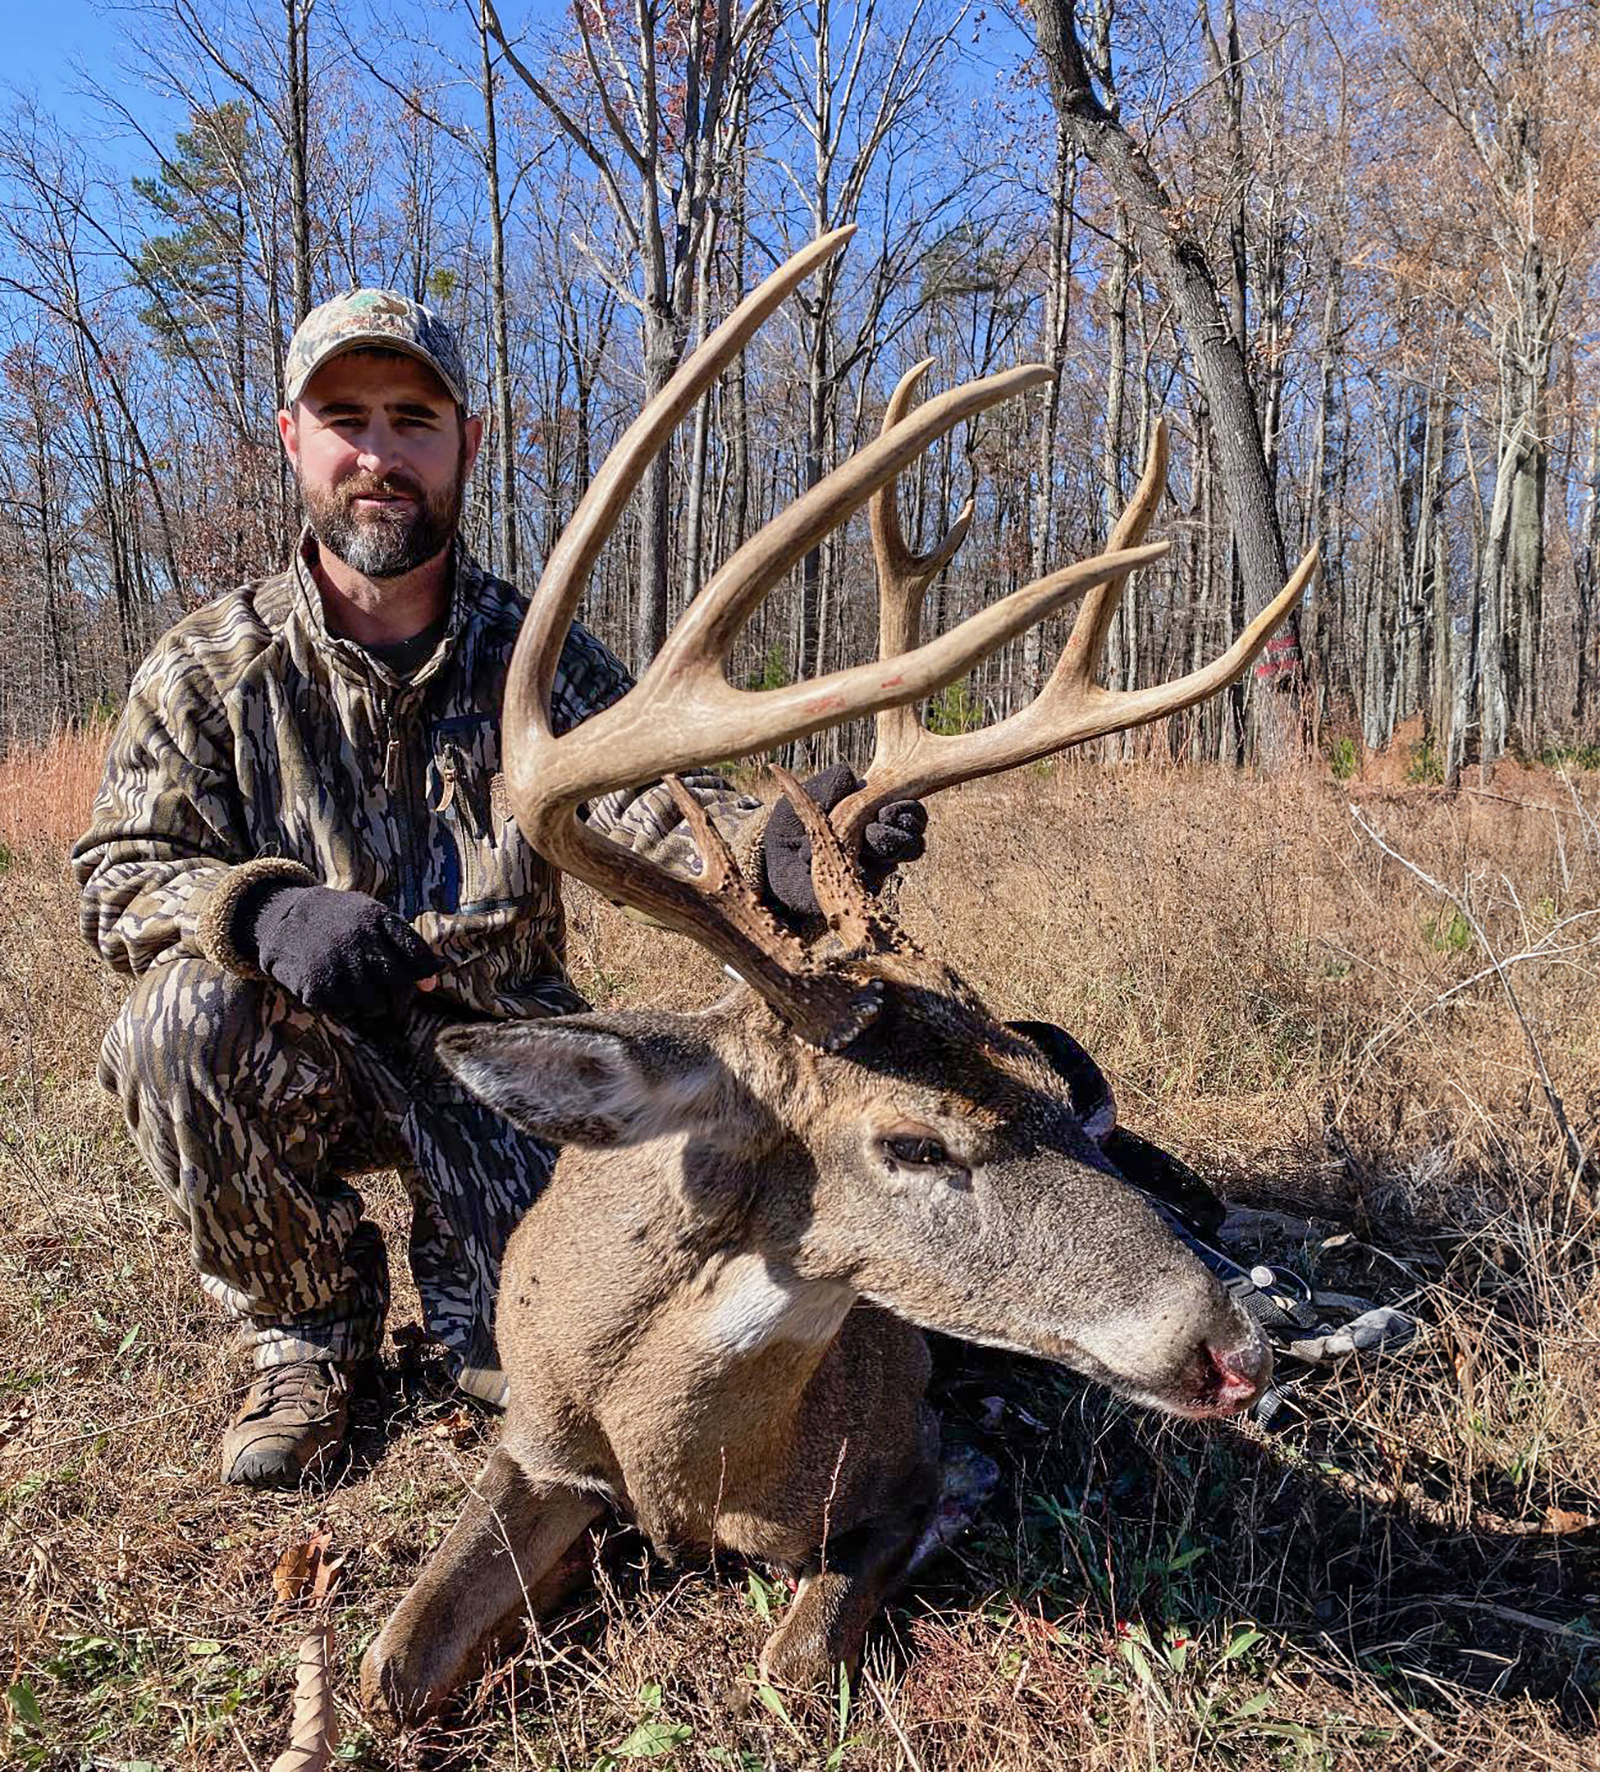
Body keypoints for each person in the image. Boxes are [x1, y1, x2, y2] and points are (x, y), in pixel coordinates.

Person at [71, 291, 925, 1487]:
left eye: (412, 420)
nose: (378, 455)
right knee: (177, 1023)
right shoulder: (208, 668)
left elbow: (648, 804)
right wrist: (263, 913)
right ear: (291, 439)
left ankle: (475, 1275)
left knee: (538, 1345)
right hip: (295, 1050)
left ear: (466, 443)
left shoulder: (542, 656)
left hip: (505, 1056)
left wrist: (782, 853)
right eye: (345, 419)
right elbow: (116, 873)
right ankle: (310, 1326)